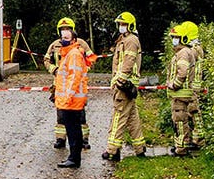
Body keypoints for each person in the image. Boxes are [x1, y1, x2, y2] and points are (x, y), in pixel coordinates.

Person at [51, 18, 98, 168]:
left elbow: (74, 78)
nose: (63, 39)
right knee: (73, 129)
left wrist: (67, 97)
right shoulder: (70, 53)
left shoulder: (74, 54)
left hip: (72, 101)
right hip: (71, 100)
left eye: (66, 36)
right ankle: (73, 157)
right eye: (62, 37)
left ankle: (74, 158)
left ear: (73, 38)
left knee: (73, 130)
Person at [42, 17, 93, 150]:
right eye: (62, 29)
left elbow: (91, 58)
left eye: (67, 29)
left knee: (80, 114)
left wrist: (83, 70)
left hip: (76, 85)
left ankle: (84, 139)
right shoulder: (54, 45)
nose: (65, 31)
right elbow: (46, 60)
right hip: (59, 85)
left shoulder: (81, 44)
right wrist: (54, 70)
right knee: (61, 114)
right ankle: (60, 138)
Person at [101, 11, 146, 161]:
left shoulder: (131, 40)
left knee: (118, 116)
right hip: (127, 84)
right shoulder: (125, 39)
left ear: (131, 25)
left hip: (124, 85)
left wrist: (120, 80)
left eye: (124, 24)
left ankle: (112, 150)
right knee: (132, 118)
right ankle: (140, 148)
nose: (121, 26)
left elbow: (128, 62)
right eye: (120, 24)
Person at [166, 21, 204, 156]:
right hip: (190, 89)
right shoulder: (193, 49)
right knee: (192, 116)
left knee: (182, 118)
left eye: (176, 38)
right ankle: (194, 140)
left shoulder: (187, 52)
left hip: (184, 90)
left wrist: (174, 84)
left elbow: (182, 71)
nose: (174, 40)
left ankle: (183, 146)